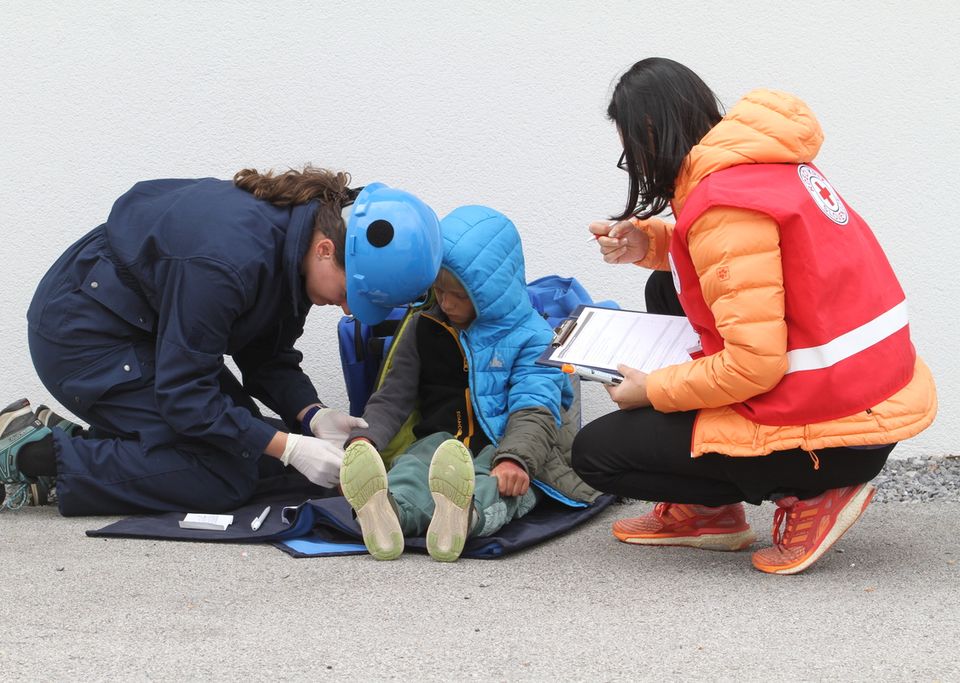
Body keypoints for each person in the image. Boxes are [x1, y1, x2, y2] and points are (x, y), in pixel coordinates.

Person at [572, 58, 937, 575]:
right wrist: (651, 244)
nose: (633, 162)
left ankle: (811, 493)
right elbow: (755, 263)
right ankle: (711, 512)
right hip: (868, 393)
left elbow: (752, 365)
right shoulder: (759, 160)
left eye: (629, 149)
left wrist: (653, 390)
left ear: (652, 133)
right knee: (665, 285)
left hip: (837, 434)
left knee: (597, 454)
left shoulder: (724, 206)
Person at [0, 167, 442, 516]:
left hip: (148, 336)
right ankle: (31, 455)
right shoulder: (226, 263)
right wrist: (289, 447)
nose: (350, 310)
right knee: (220, 476)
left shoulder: (294, 249)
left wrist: (311, 416)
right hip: (82, 336)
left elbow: (267, 357)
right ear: (326, 249)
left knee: (253, 450)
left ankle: (72, 445)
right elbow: (185, 397)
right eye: (353, 294)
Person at [338, 205, 602, 561]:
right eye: (439, 289)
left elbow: (534, 408)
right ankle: (389, 513)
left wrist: (516, 460)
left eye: (459, 295)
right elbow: (393, 397)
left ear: (493, 291)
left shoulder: (534, 337)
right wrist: (365, 441)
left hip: (507, 444)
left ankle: (465, 517)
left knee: (498, 484)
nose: (446, 303)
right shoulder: (423, 326)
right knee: (412, 467)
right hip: (441, 440)